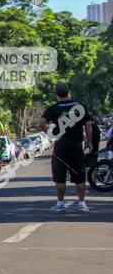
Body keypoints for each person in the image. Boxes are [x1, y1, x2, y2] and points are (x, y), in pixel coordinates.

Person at [39, 82, 92, 212]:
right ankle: (82, 203)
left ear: (56, 94)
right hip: (76, 146)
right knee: (79, 176)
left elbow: (41, 123)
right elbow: (89, 124)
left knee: (60, 177)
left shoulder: (53, 108)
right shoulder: (79, 106)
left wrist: (51, 135)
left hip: (61, 146)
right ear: (69, 92)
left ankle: (60, 204)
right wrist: (89, 142)